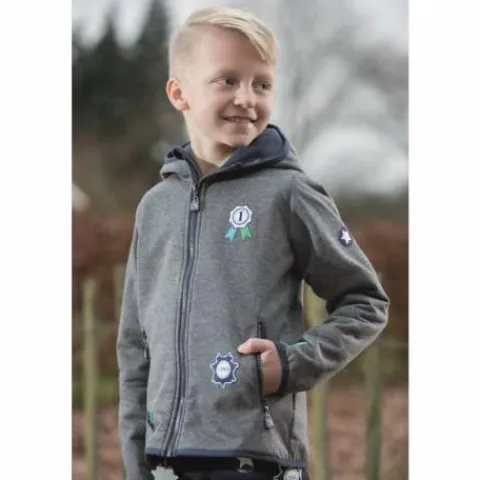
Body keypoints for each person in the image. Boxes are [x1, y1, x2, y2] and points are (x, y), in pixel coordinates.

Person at [117, 6, 389, 480]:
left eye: (261, 84)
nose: (247, 98)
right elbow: (134, 343)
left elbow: (366, 303)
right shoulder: (155, 207)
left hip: (257, 460)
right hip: (164, 462)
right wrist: (136, 457)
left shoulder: (290, 193)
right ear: (179, 93)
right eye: (227, 80)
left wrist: (290, 363)